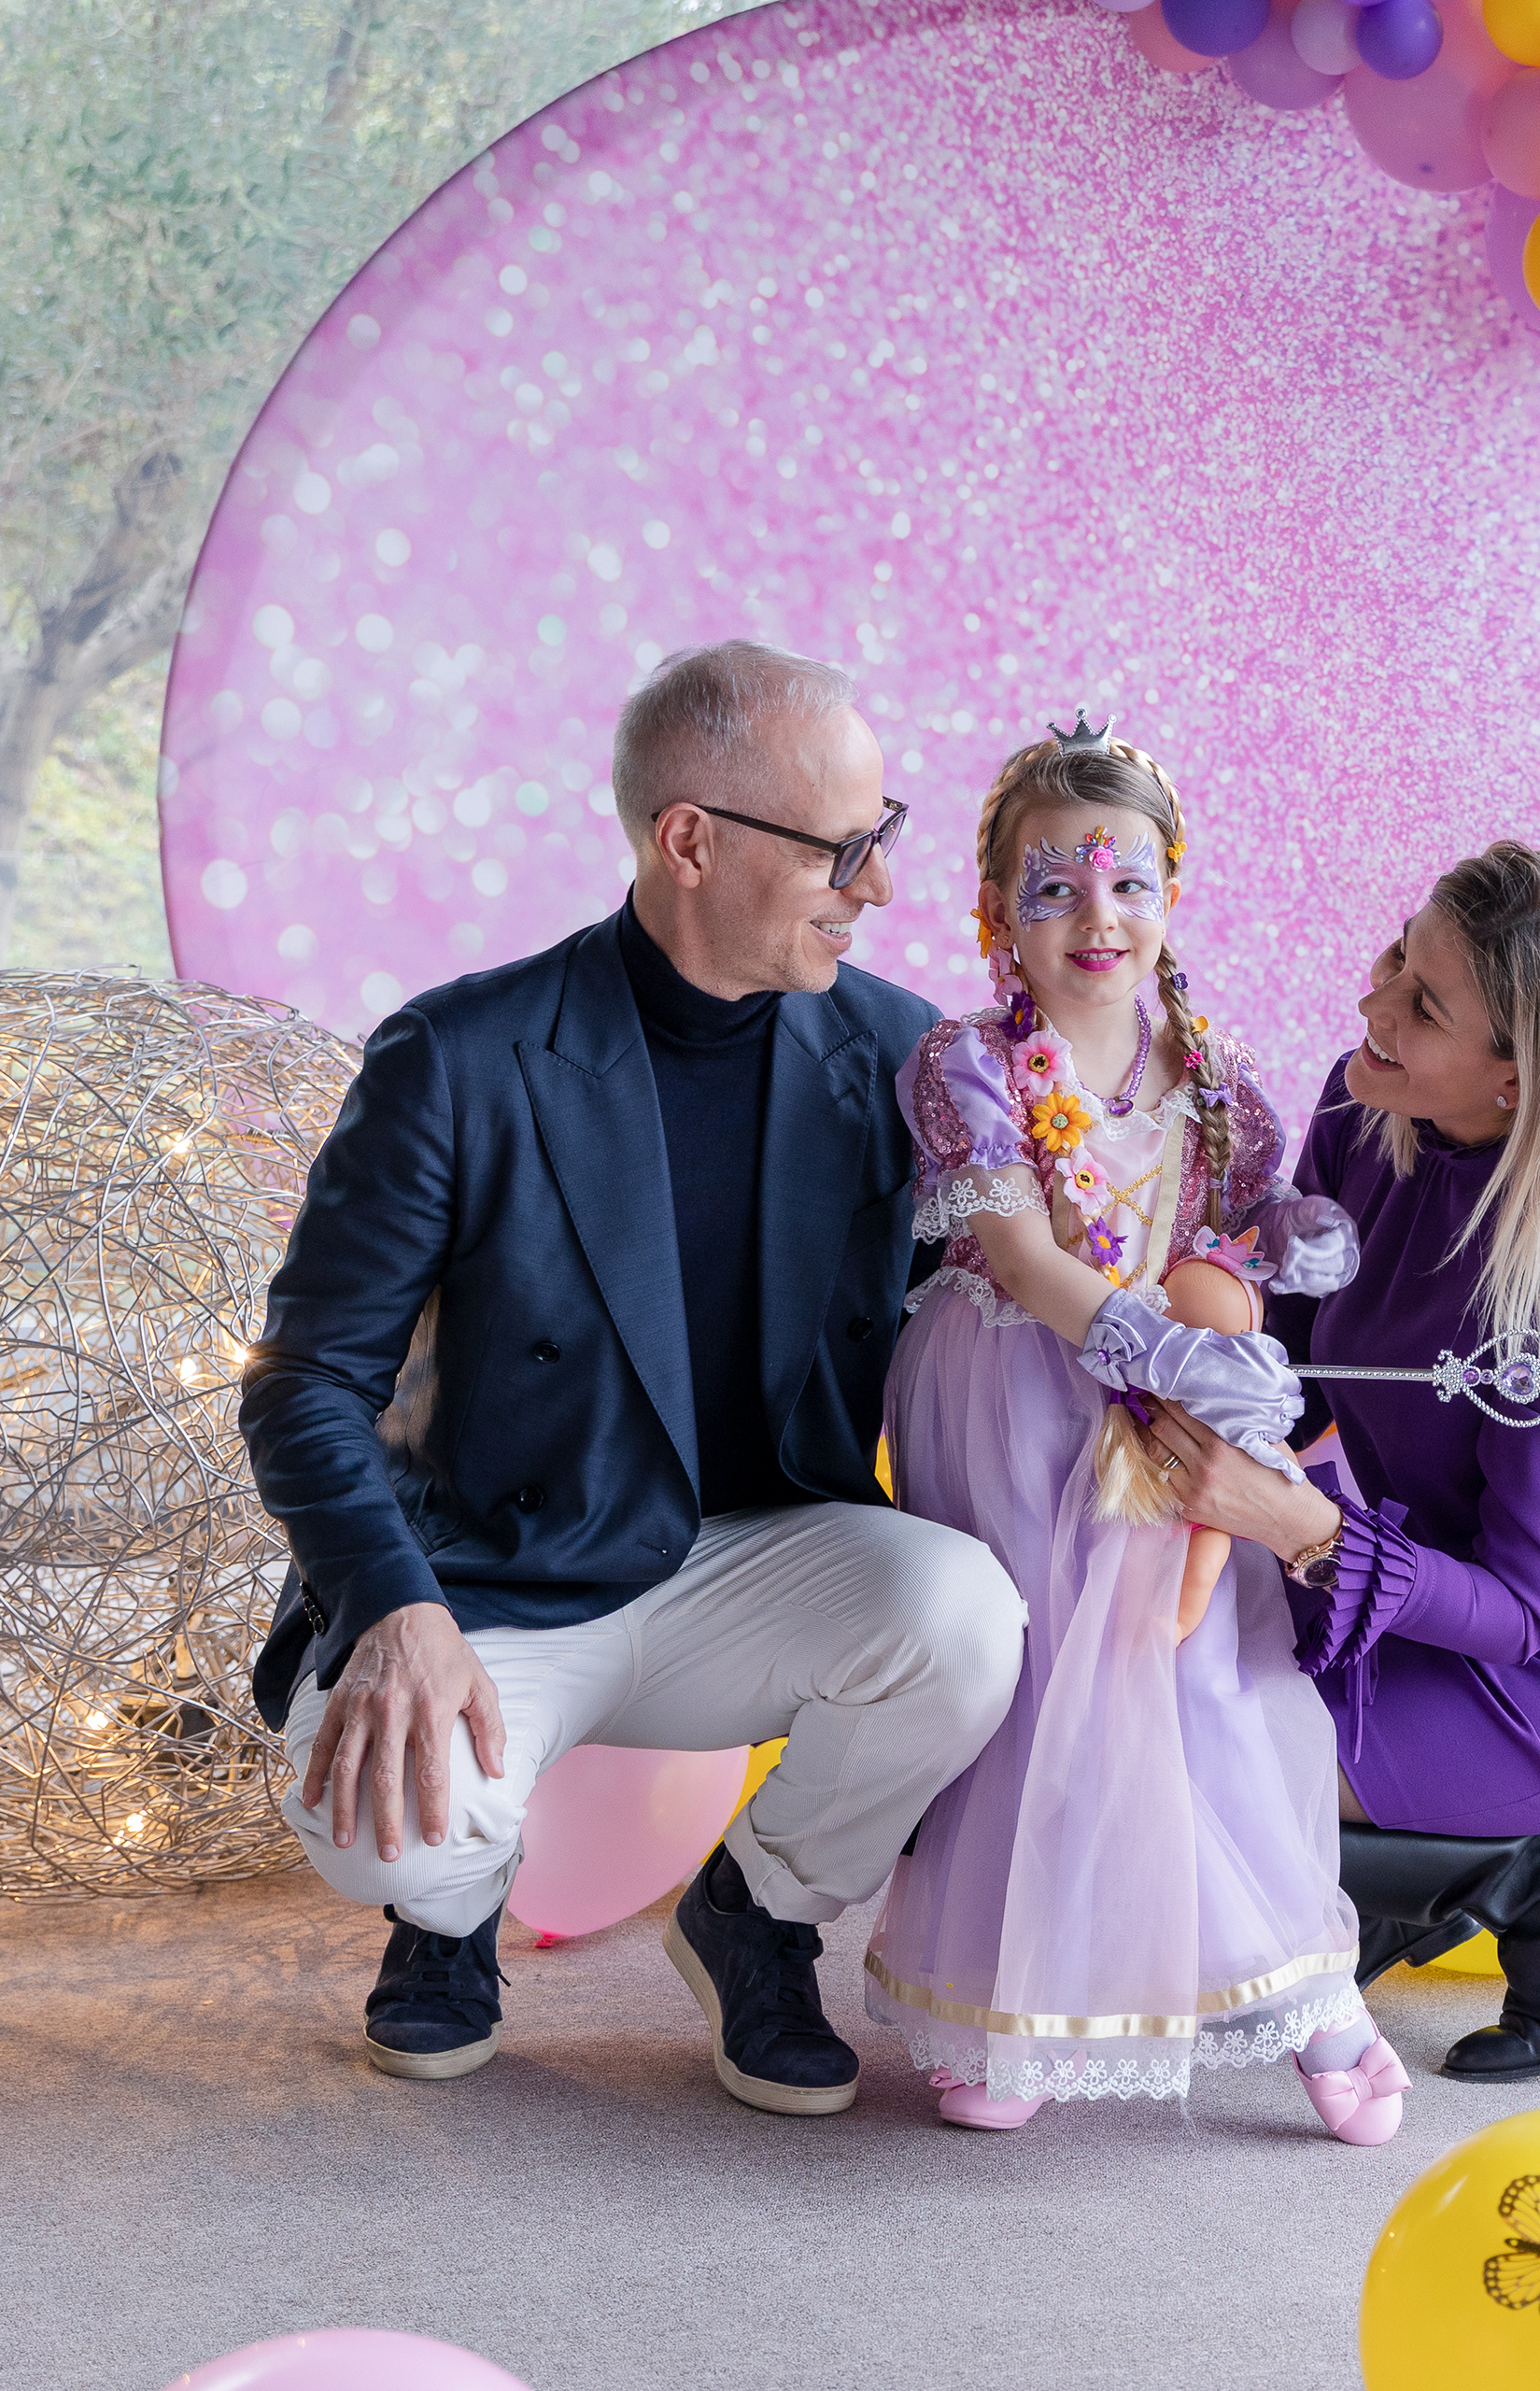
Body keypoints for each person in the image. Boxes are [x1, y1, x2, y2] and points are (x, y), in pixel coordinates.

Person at [238, 639, 1024, 2105]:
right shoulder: (457, 1056)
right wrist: (393, 1607)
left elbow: (997, 1306)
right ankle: (448, 1919)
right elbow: (302, 1379)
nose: (878, 886)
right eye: (843, 848)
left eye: (884, 834)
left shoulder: (901, 1057)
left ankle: (755, 1912)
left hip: (765, 1565)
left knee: (971, 1620)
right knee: (377, 1828)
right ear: (690, 842)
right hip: (503, 1570)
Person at [862, 719, 1403, 2142]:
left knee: (1192, 1679)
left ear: (1171, 895)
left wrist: (1284, 1241)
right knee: (1042, 1685)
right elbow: (1022, 1253)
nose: (1097, 918)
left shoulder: (1214, 1074)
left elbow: (1243, 1226)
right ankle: (1017, 2008)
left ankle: (1315, 2006)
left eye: (1127, 886)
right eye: (1055, 889)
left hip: (1177, 1409)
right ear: (999, 912)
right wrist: (1148, 1343)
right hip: (1015, 1388)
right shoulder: (968, 1064)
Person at [1147, 843, 1540, 2083]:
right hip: (1387, 1584)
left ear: (1518, 1076)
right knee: (1124, 1688)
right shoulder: (1366, 1114)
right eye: (1399, 955)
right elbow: (1290, 1365)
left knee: (1201, 1777)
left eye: (1425, 1004)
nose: (1372, 1003)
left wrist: (1289, 1526)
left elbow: (1520, 1611)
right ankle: (1374, 1890)